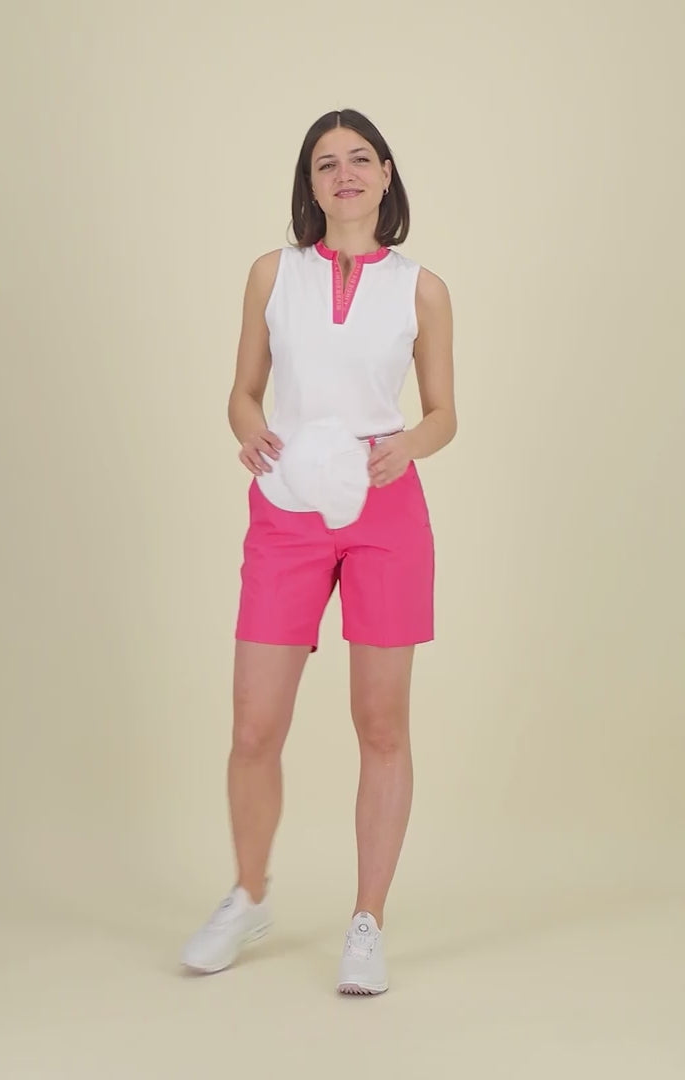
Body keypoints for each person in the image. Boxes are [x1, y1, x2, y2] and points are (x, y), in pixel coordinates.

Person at [182, 108, 457, 995]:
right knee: (253, 726)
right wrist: (251, 432)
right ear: (309, 183)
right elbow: (242, 392)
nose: (345, 175)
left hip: (385, 505)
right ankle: (248, 895)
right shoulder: (274, 273)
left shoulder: (421, 288)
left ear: (386, 174)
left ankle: (367, 921)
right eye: (326, 163)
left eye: (360, 159)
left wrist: (408, 446)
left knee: (381, 724)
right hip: (288, 504)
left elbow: (444, 413)